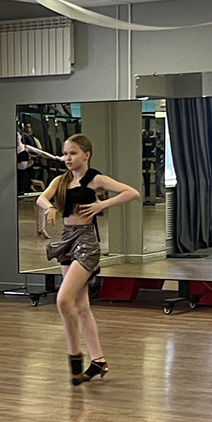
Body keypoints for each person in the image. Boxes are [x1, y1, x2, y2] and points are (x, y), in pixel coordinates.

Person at [35, 134, 140, 385]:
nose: (67, 158)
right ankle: (98, 360)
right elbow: (41, 198)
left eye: (73, 153)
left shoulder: (95, 179)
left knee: (63, 300)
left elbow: (132, 193)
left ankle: (74, 356)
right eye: (65, 153)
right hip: (67, 240)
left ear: (86, 155)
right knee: (81, 306)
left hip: (86, 242)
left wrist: (102, 206)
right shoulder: (60, 180)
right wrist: (50, 207)